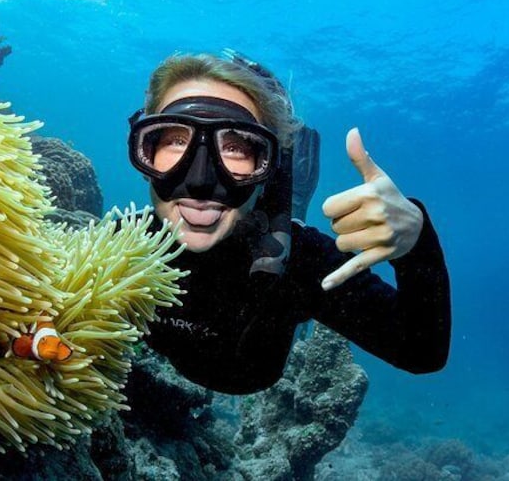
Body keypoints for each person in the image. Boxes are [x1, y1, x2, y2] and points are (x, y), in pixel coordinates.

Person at [127, 51, 450, 394]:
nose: (202, 181)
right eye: (175, 141)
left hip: (255, 372)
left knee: (286, 224)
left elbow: (421, 353)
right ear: (145, 148)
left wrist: (416, 245)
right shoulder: (121, 248)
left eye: (236, 147)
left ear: (267, 165)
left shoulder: (301, 262)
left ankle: (292, 197)